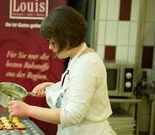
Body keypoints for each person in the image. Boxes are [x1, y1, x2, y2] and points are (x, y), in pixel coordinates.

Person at [8, 6, 116, 135]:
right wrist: (52, 87)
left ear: (67, 39)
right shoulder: (78, 58)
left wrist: (28, 110)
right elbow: (76, 89)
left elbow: (72, 115)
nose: (49, 47)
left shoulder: (87, 64)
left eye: (53, 42)